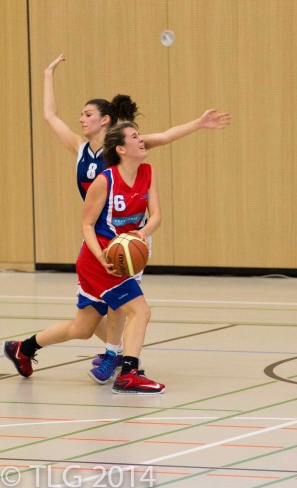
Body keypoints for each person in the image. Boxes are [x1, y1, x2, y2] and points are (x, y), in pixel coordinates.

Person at [42, 53, 230, 383]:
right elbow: (49, 115)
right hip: (100, 234)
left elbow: (167, 135)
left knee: (122, 304)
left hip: (130, 237)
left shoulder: (127, 147)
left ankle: (115, 356)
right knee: (95, 313)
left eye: (88, 114)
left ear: (105, 120)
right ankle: (115, 354)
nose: (81, 120)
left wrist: (199, 123)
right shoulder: (80, 149)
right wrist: (48, 74)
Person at [5, 122, 166, 394]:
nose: (142, 140)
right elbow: (87, 224)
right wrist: (101, 256)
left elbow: (156, 215)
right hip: (101, 258)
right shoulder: (105, 180)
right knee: (140, 311)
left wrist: (142, 233)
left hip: (118, 255)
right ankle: (129, 374)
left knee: (82, 327)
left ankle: (23, 348)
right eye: (135, 137)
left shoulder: (148, 173)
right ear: (121, 149)